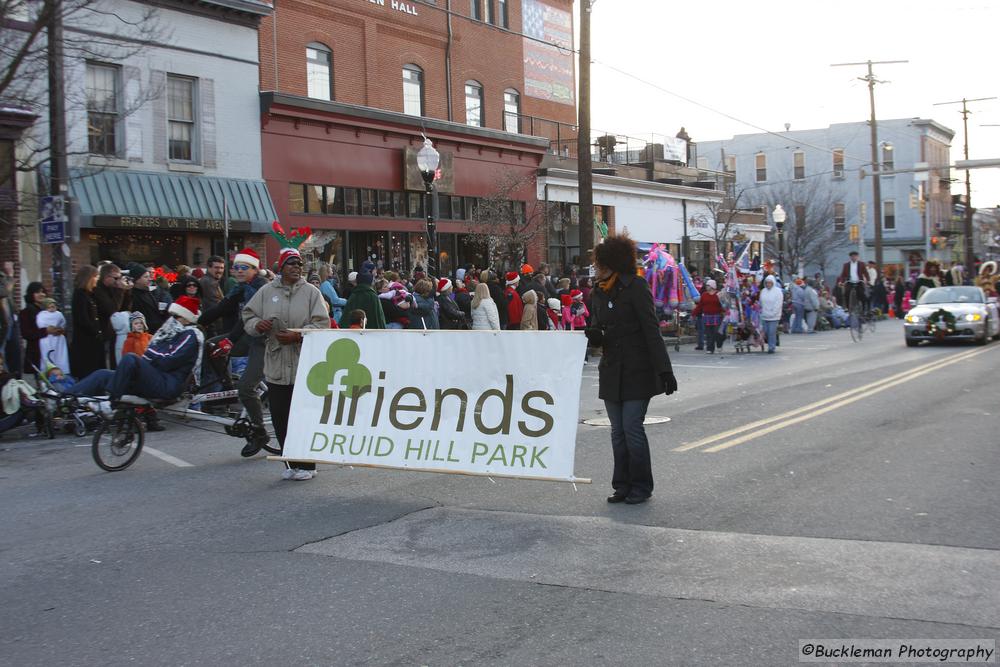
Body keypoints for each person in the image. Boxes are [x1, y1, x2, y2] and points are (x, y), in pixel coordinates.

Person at [585, 234, 677, 506]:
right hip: (612, 369)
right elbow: (600, 328)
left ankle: (641, 485)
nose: (597, 267)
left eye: (601, 262)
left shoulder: (636, 286)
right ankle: (621, 485)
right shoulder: (598, 291)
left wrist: (665, 370)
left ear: (613, 262)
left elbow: (651, 330)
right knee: (617, 432)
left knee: (631, 428)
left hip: (638, 369)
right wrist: (594, 335)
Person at [242, 246, 330, 481]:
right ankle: (290, 462)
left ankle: (307, 465)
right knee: (280, 415)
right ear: (281, 267)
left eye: (299, 264)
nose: (296, 268)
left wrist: (299, 335)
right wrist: (257, 325)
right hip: (276, 362)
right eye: (291, 263)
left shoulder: (311, 292)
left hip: (303, 362)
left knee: (302, 416)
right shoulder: (266, 291)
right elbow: (248, 316)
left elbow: (323, 324)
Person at [69, 295, 204, 425]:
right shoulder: (170, 333)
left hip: (168, 384)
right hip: (157, 377)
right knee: (102, 374)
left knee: (131, 359)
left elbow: (167, 360)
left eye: (176, 316)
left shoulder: (191, 335)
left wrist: (149, 356)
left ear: (187, 318)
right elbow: (156, 355)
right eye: (172, 315)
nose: (172, 319)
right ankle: (64, 398)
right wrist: (150, 358)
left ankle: (111, 404)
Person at [197, 248, 271, 456]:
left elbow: (245, 319)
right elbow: (221, 308)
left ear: (255, 269)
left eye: (243, 267)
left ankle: (259, 432)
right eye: (236, 267)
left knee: (247, 388)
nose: (238, 271)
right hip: (246, 336)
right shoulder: (239, 288)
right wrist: (194, 322)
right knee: (210, 345)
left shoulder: (259, 289)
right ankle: (225, 386)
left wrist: (230, 340)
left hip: (262, 341)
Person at [69, 266, 106, 379]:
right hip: (85, 341)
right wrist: (96, 331)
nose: (97, 280)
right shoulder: (79, 295)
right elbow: (82, 319)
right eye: (96, 277)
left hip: (93, 339)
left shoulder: (90, 295)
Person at [94, 263, 132, 369]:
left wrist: (126, 291)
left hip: (114, 332)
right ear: (106, 277)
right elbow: (112, 310)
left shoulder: (112, 287)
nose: (118, 280)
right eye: (116, 278)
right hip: (103, 331)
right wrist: (120, 290)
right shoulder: (97, 290)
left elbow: (125, 308)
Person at [124, 263, 165, 333]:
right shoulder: (132, 295)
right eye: (145, 277)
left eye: (149, 276)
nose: (149, 279)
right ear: (136, 280)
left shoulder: (148, 291)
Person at [19, 282, 50, 373]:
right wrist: (46, 331)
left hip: (51, 351)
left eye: (42, 292)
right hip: (36, 354)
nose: (41, 294)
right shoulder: (26, 312)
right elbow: (26, 334)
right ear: (31, 294)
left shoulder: (50, 310)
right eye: (37, 292)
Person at [37, 298, 70, 373]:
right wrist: (48, 328)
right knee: (48, 355)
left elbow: (63, 322)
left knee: (60, 356)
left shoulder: (59, 314)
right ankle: (48, 371)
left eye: (53, 307)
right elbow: (40, 323)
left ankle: (62, 371)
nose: (52, 309)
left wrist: (60, 328)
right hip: (47, 338)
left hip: (58, 338)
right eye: (50, 307)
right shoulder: (42, 315)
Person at [692, 279, 725, 353]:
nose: (706, 287)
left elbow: (723, 305)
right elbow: (700, 306)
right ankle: (710, 348)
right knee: (709, 333)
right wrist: (694, 313)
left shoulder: (719, 294)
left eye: (708, 285)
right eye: (706, 285)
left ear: (712, 286)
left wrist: (726, 312)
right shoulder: (704, 295)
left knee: (717, 332)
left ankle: (719, 344)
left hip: (717, 316)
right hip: (707, 316)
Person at [199, 256, 226, 336]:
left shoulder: (212, 281)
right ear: (209, 268)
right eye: (216, 268)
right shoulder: (209, 282)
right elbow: (215, 306)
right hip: (213, 326)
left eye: (222, 268)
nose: (220, 270)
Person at [759, 275, 783, 353]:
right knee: (765, 331)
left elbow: (778, 304)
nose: (768, 284)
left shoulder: (778, 291)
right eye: (767, 283)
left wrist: (773, 312)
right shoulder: (763, 291)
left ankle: (771, 347)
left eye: (770, 283)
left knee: (771, 331)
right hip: (765, 315)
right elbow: (761, 302)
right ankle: (768, 344)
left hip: (774, 316)